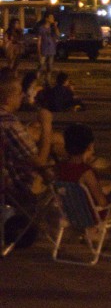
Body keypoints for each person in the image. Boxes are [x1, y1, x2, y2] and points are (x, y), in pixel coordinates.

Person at [0, 73, 53, 201]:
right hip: (20, 188)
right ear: (7, 99)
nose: (23, 96)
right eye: (19, 93)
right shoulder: (8, 123)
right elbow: (39, 161)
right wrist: (46, 125)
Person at [36, 12, 60, 81]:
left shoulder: (52, 28)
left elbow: (58, 34)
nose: (53, 19)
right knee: (40, 65)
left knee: (49, 67)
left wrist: (55, 26)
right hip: (44, 50)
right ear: (47, 19)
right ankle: (37, 79)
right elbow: (39, 41)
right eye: (51, 17)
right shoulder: (41, 28)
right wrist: (39, 52)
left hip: (52, 50)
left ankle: (47, 80)